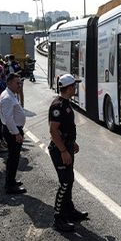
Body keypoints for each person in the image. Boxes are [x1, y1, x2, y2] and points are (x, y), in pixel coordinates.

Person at [49, 73, 87, 232]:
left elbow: (65, 128)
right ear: (69, 88)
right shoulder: (58, 105)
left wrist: (72, 142)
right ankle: (58, 218)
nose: (76, 87)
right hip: (60, 150)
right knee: (64, 183)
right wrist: (64, 150)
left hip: (67, 147)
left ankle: (69, 211)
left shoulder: (65, 103)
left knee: (69, 180)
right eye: (74, 85)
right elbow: (53, 130)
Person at [0, 73, 26, 194]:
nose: (19, 85)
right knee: (13, 158)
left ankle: (12, 180)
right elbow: (8, 119)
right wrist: (17, 134)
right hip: (12, 131)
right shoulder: (7, 98)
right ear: (9, 83)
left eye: (20, 83)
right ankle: (10, 185)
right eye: (17, 83)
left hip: (14, 129)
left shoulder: (11, 94)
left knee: (14, 158)